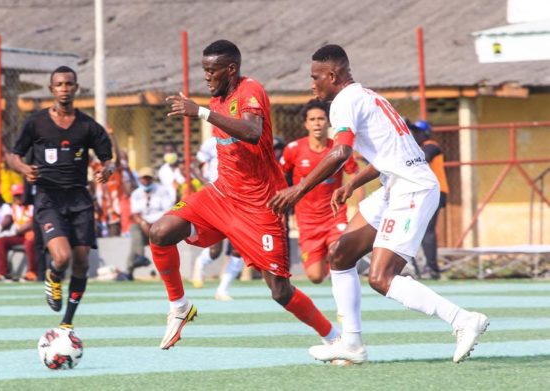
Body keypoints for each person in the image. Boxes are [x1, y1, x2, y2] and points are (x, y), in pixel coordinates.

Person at [269, 44, 488, 364]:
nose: (311, 84)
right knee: (340, 255)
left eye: (315, 77)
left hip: (411, 191)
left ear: (332, 75)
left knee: (380, 278)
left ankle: (463, 320)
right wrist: (354, 182)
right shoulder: (369, 96)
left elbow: (341, 152)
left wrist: (300, 188)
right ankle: (352, 344)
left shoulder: (343, 103)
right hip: (393, 187)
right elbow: (390, 154)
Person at [151, 40, 337, 351]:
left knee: (280, 291)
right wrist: (206, 110)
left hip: (261, 204)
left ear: (231, 69)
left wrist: (201, 112)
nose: (207, 77)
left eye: (212, 71)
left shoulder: (251, 90)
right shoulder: (219, 98)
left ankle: (334, 337)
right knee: (160, 232)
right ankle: (180, 307)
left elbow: (251, 132)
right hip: (221, 194)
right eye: (204, 71)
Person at [7, 65, 116, 330]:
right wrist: (23, 168)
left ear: (76, 88)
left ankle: (67, 322)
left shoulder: (88, 125)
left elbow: (108, 159)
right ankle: (53, 276)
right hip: (48, 200)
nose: (64, 89)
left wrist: (106, 170)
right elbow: (12, 155)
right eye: (59, 85)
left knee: (81, 262)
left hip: (79, 200)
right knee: (63, 257)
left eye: (69, 84)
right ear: (51, 89)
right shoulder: (36, 122)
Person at [280, 99, 359, 284]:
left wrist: (358, 207)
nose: (317, 123)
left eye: (321, 119)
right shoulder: (293, 149)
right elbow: (279, 177)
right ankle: (330, 262)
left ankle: (343, 273)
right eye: (312, 119)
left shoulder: (340, 149)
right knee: (315, 277)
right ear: (306, 124)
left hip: (334, 215)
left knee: (337, 252)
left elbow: (355, 176)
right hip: (307, 221)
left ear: (328, 122)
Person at [190, 136, 245, 300]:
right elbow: (194, 165)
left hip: (240, 198)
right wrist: (204, 182)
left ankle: (223, 289)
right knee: (215, 250)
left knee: (239, 246)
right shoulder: (211, 142)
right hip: (216, 197)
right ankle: (200, 263)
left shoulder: (247, 138)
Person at [412, 120, 449, 280]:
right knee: (418, 229)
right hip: (423, 192)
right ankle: (423, 268)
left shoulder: (431, 146)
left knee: (427, 230)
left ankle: (432, 268)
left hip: (436, 191)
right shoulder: (415, 148)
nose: (414, 134)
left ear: (426, 133)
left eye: (417, 132)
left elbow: (423, 158)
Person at [123, 167, 173, 280]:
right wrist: (143, 223)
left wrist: (155, 224)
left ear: (152, 179)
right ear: (139, 180)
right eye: (143, 178)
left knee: (136, 245)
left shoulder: (162, 191)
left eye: (148, 178)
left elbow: (168, 210)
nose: (146, 181)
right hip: (143, 225)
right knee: (134, 229)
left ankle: (130, 269)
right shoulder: (136, 193)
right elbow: (135, 214)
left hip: (160, 225)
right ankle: (140, 257)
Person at [0, 184, 37, 281]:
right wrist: (1, 229)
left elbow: (33, 222)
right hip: (19, 235)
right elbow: (9, 219)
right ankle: (3, 272)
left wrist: (17, 230)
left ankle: (32, 271)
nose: (18, 198)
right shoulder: (13, 207)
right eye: (15, 195)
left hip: (31, 233)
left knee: (29, 241)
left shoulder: (32, 206)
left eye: (20, 195)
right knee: (1, 241)